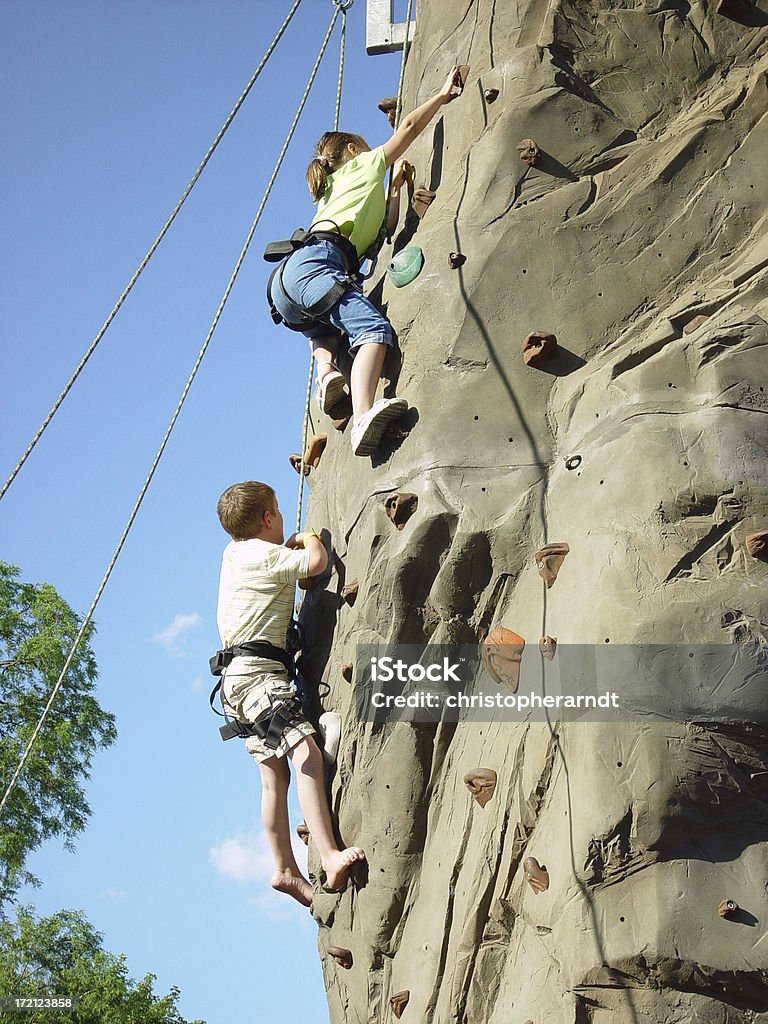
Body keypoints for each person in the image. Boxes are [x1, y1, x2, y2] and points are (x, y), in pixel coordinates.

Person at [269, 66, 464, 456]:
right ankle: (362, 417)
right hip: (319, 265)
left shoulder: (334, 192)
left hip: (290, 283)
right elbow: (407, 127)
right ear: (355, 151)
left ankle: (325, 375)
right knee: (373, 330)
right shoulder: (360, 165)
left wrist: (394, 189)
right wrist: (443, 95)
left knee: (327, 330)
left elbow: (384, 229)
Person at [215, 480, 365, 906]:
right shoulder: (267, 555)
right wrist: (310, 537)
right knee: (306, 753)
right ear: (267, 519)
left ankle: (284, 868)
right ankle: (330, 854)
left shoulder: (233, 554)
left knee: (272, 776)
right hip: (261, 677)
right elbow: (316, 562)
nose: (283, 519)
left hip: (235, 683)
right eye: (278, 511)